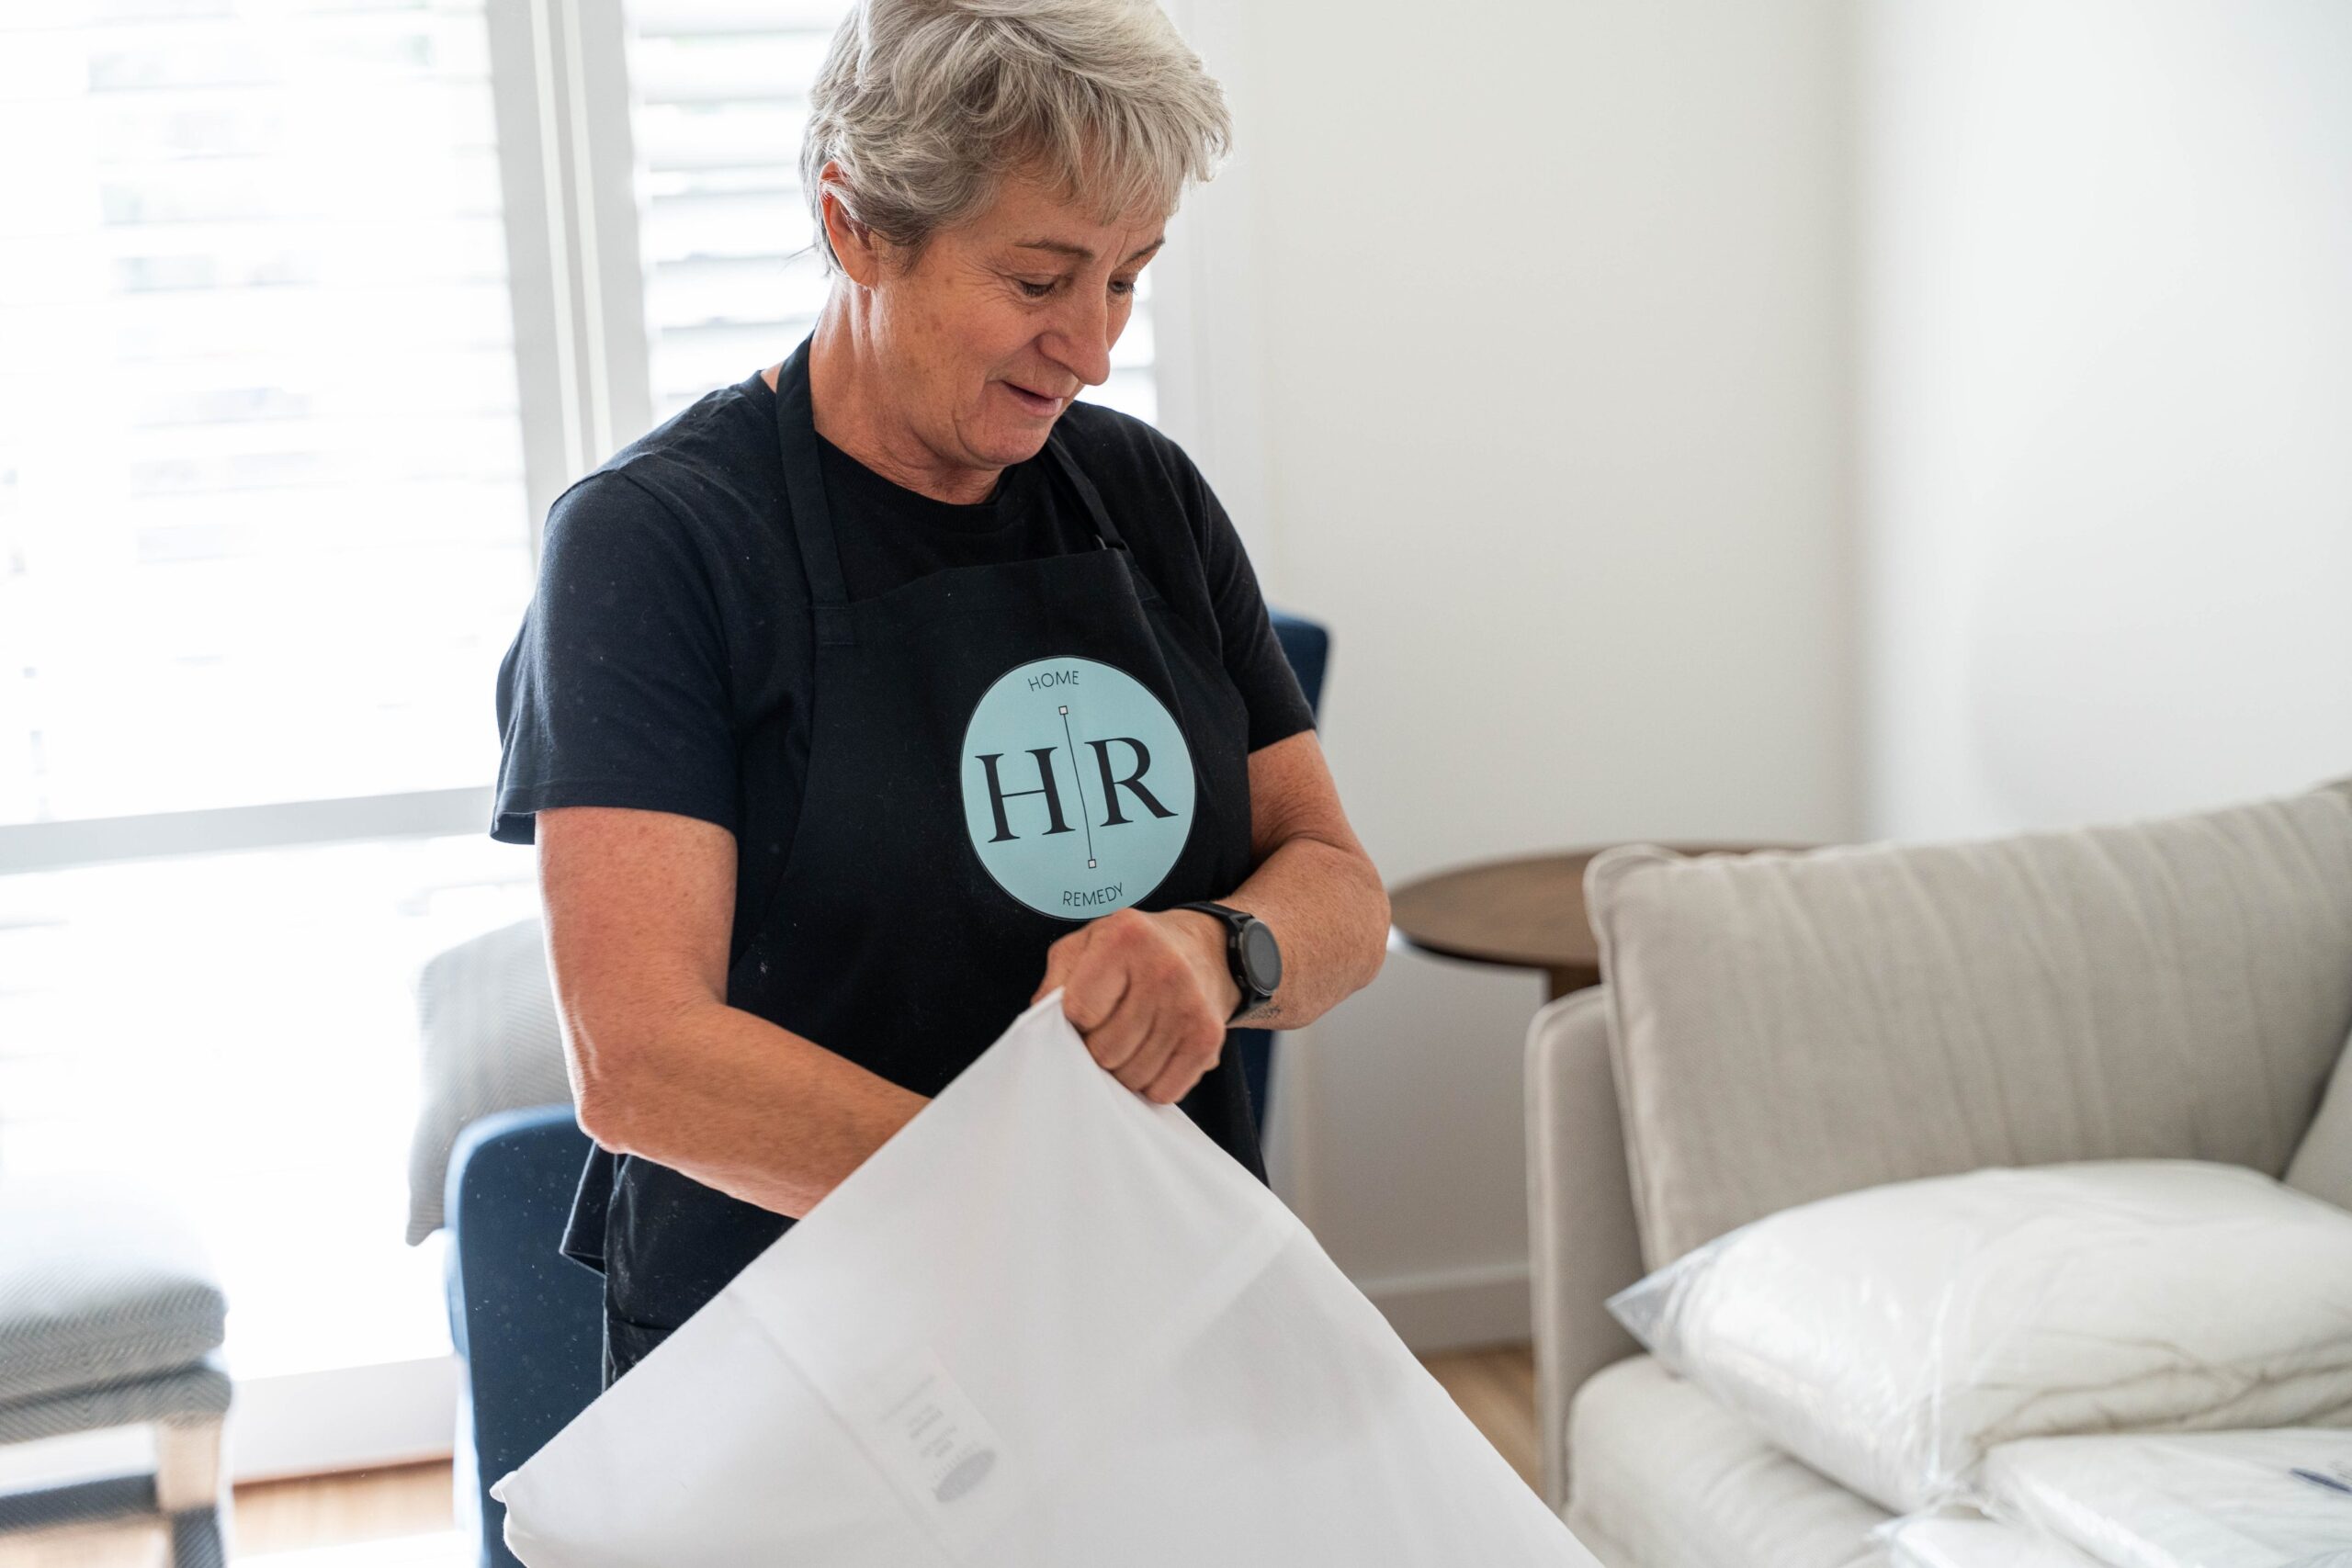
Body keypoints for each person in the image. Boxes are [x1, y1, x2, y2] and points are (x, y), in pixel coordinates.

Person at [492, 0, 1389, 1387]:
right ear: (855, 225)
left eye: (1127, 278)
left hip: (1150, 1326)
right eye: (1039, 281)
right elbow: (641, 1057)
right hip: (796, 1359)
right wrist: (1032, 1215)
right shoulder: (656, 544)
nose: (1090, 348)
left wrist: (1220, 950)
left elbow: (1339, 891)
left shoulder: (1141, 493)